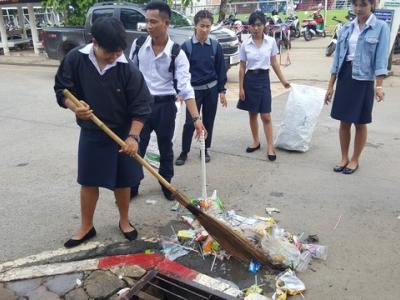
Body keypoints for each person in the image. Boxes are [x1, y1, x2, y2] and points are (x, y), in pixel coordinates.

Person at [54, 17, 153, 248]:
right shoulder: (76, 59)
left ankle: (124, 221)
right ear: (94, 42)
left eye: (119, 51)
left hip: (122, 133)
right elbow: (62, 89)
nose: (115, 56)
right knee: (88, 181)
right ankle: (86, 226)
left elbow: (142, 106)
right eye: (110, 52)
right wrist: (75, 108)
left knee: (123, 181)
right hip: (92, 131)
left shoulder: (127, 69)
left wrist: (133, 137)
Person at [129, 1, 206, 200]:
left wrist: (196, 119)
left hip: (165, 107)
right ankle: (132, 184)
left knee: (165, 146)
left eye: (153, 21)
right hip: (142, 106)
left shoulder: (177, 54)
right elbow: (129, 76)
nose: (149, 26)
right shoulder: (138, 46)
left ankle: (166, 183)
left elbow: (186, 88)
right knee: (137, 145)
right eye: (147, 21)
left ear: (166, 23)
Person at [325, 0, 389, 174]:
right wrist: (330, 86)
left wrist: (379, 86)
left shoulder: (381, 27)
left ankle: (354, 159)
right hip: (345, 77)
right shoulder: (346, 28)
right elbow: (337, 59)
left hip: (364, 80)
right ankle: (344, 157)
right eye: (355, 4)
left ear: (372, 5)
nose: (358, 9)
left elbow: (381, 58)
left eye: (363, 5)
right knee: (344, 121)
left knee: (360, 122)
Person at [175, 10, 227, 166]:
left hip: (211, 89)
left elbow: (220, 69)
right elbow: (181, 72)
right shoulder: (187, 47)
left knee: (209, 120)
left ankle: (205, 149)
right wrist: (180, 92)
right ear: (195, 26)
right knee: (190, 123)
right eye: (202, 26)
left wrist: (222, 91)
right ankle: (184, 152)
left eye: (208, 26)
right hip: (193, 91)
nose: (205, 29)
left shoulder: (215, 46)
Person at [238, 11, 290, 161]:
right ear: (249, 27)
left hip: (263, 80)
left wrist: (283, 80)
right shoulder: (245, 44)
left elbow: (274, 63)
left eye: (259, 25)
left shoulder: (271, 42)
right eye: (253, 25)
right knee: (252, 113)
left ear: (264, 25)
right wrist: (241, 88)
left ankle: (270, 146)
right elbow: (242, 67)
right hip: (249, 80)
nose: (256, 28)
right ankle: (255, 142)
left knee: (266, 115)